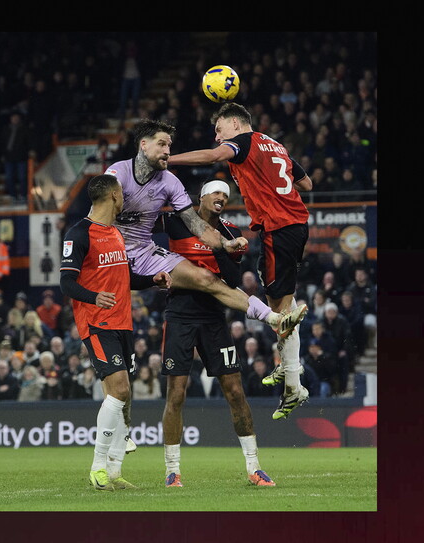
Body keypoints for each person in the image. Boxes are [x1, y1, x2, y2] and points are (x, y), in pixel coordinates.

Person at [104, 119, 307, 364]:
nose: (167, 151)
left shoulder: (170, 182)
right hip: (110, 250)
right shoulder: (118, 172)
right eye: (162, 145)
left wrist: (223, 244)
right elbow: (101, 212)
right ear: (143, 145)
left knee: (207, 278)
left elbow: (195, 223)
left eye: (169, 146)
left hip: (145, 252)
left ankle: (273, 318)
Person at [167, 103, 314, 420]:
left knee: (280, 312)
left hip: (279, 228)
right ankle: (289, 366)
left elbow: (212, 156)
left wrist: (168, 160)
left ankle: (293, 381)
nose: (217, 136)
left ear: (235, 123)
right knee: (281, 304)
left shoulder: (243, 142)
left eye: (219, 129)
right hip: (294, 224)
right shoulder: (274, 144)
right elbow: (306, 184)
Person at [154, 180, 276, 487]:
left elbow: (232, 279)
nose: (222, 197)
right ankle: (172, 471)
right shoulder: (176, 222)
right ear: (202, 197)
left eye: (226, 194)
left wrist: (219, 245)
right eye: (216, 193)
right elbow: (142, 224)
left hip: (214, 318)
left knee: (235, 391)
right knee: (176, 394)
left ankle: (254, 467)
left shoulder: (231, 232)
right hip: (179, 316)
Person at [59, 174, 172, 491]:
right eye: (122, 193)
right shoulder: (79, 233)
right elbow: (66, 283)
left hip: (123, 323)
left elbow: (126, 277)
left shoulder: (116, 234)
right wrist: (94, 297)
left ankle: (114, 471)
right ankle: (97, 468)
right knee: (119, 389)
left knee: (123, 395)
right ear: (112, 196)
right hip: (97, 323)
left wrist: (152, 280)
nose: (125, 197)